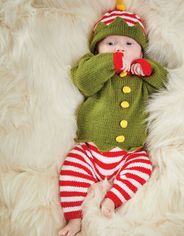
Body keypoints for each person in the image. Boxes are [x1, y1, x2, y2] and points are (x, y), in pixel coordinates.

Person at [58, 1, 167, 235]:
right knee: (71, 168)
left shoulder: (142, 76)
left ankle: (112, 198)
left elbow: (166, 84)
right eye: (110, 43)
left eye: (129, 43)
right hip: (91, 150)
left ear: (141, 50)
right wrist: (111, 63)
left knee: (143, 166)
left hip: (130, 152)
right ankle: (74, 218)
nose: (120, 48)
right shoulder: (93, 67)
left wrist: (149, 70)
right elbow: (84, 81)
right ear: (97, 49)